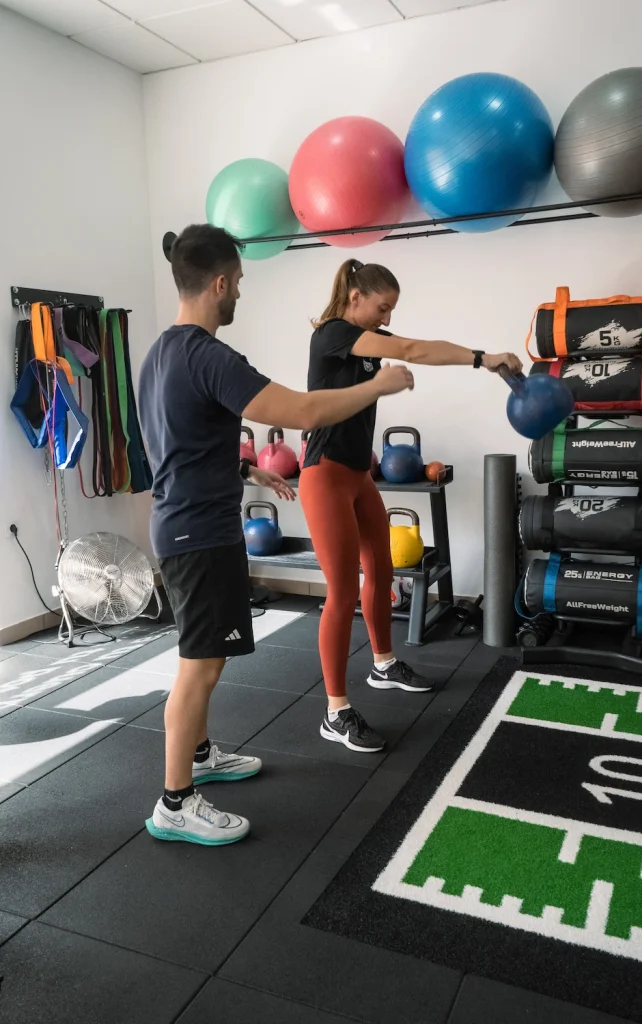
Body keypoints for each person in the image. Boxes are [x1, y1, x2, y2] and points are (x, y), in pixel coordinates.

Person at [138, 227, 414, 847]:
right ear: (219, 282)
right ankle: (175, 802)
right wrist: (376, 385)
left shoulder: (159, 352)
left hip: (186, 521)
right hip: (200, 533)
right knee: (199, 667)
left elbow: (170, 442)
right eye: (238, 281)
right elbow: (306, 412)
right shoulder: (210, 355)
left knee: (206, 659)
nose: (239, 291)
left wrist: (244, 467)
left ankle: (201, 754)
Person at [299, 258, 522, 754]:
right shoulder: (333, 333)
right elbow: (412, 349)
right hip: (324, 476)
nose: (387, 318)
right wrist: (484, 358)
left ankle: (383, 664)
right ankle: (335, 711)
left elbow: (409, 345)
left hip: (358, 475)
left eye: (392, 310)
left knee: (381, 568)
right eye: (383, 307)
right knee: (341, 590)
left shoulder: (360, 339)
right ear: (356, 296)